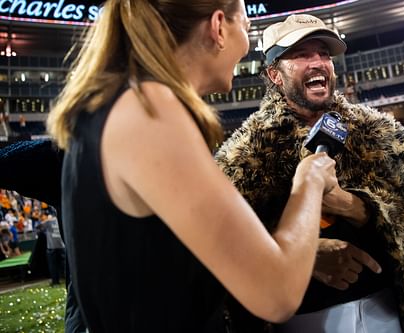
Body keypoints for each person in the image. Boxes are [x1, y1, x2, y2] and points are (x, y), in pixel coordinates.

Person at [46, 1, 337, 332]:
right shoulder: (148, 110)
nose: (246, 44)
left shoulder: (122, 105)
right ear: (218, 27)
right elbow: (277, 292)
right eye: (245, 25)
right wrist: (310, 178)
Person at [215, 13, 404, 332]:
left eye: (323, 53)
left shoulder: (379, 132)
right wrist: (302, 256)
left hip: (388, 310)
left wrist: (352, 205)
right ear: (275, 74)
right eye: (301, 54)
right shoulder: (247, 152)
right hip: (302, 321)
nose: (318, 62)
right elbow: (224, 246)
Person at [39, 211, 65, 286]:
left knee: (53, 265)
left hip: (52, 247)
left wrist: (47, 220)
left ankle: (55, 281)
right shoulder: (61, 219)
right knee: (63, 264)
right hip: (61, 246)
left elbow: (39, 226)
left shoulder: (48, 221)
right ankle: (63, 279)